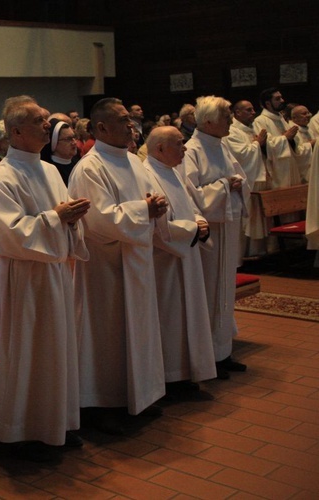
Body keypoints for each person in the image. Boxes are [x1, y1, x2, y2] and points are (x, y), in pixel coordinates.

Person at [0, 95, 90, 460]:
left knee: (57, 350)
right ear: (16, 131)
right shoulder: (3, 175)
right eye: (39, 120)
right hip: (25, 278)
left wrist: (72, 219)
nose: (48, 124)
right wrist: (56, 218)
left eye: (47, 119)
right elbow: (8, 234)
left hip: (55, 274)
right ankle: (23, 432)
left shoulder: (46, 169)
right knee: (29, 353)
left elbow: (60, 219)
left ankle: (58, 422)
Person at [68, 97, 168, 434]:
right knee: (107, 336)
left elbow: (152, 200)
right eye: (123, 120)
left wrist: (157, 206)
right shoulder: (90, 168)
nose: (131, 126)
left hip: (136, 261)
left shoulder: (133, 162)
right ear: (100, 128)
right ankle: (103, 404)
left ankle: (138, 395)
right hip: (106, 266)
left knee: (139, 330)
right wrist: (146, 210)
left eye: (131, 120)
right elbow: (100, 220)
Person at [179, 95, 250, 380]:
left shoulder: (221, 146)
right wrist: (224, 185)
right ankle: (208, 356)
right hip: (209, 233)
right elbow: (189, 195)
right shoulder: (192, 151)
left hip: (227, 228)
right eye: (226, 116)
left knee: (224, 292)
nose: (231, 120)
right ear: (208, 122)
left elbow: (240, 178)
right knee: (208, 293)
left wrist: (236, 184)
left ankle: (223, 351)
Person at [143, 127, 217, 396]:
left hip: (187, 255)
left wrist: (199, 221)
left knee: (190, 316)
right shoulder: (147, 175)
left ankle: (187, 373)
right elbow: (157, 225)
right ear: (160, 149)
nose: (185, 149)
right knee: (171, 320)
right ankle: (171, 378)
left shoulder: (173, 171)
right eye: (179, 144)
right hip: (166, 263)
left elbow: (190, 207)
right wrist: (193, 229)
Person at [223, 100, 271, 256]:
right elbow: (241, 155)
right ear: (237, 113)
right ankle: (245, 254)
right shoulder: (232, 131)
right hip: (246, 181)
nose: (253, 112)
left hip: (256, 179)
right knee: (247, 220)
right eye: (248, 110)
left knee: (257, 219)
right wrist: (257, 143)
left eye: (253, 109)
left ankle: (259, 250)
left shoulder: (250, 129)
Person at [252, 88, 306, 189]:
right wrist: (285, 138)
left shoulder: (281, 118)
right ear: (268, 104)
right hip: (277, 169)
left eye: (281, 97)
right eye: (277, 99)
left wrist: (290, 139)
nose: (282, 100)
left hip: (291, 164)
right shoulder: (260, 121)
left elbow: (294, 142)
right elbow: (264, 146)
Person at [39, 118, 79, 185]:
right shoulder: (47, 170)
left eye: (74, 137)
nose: (74, 142)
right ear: (54, 143)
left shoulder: (78, 163)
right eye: (68, 139)